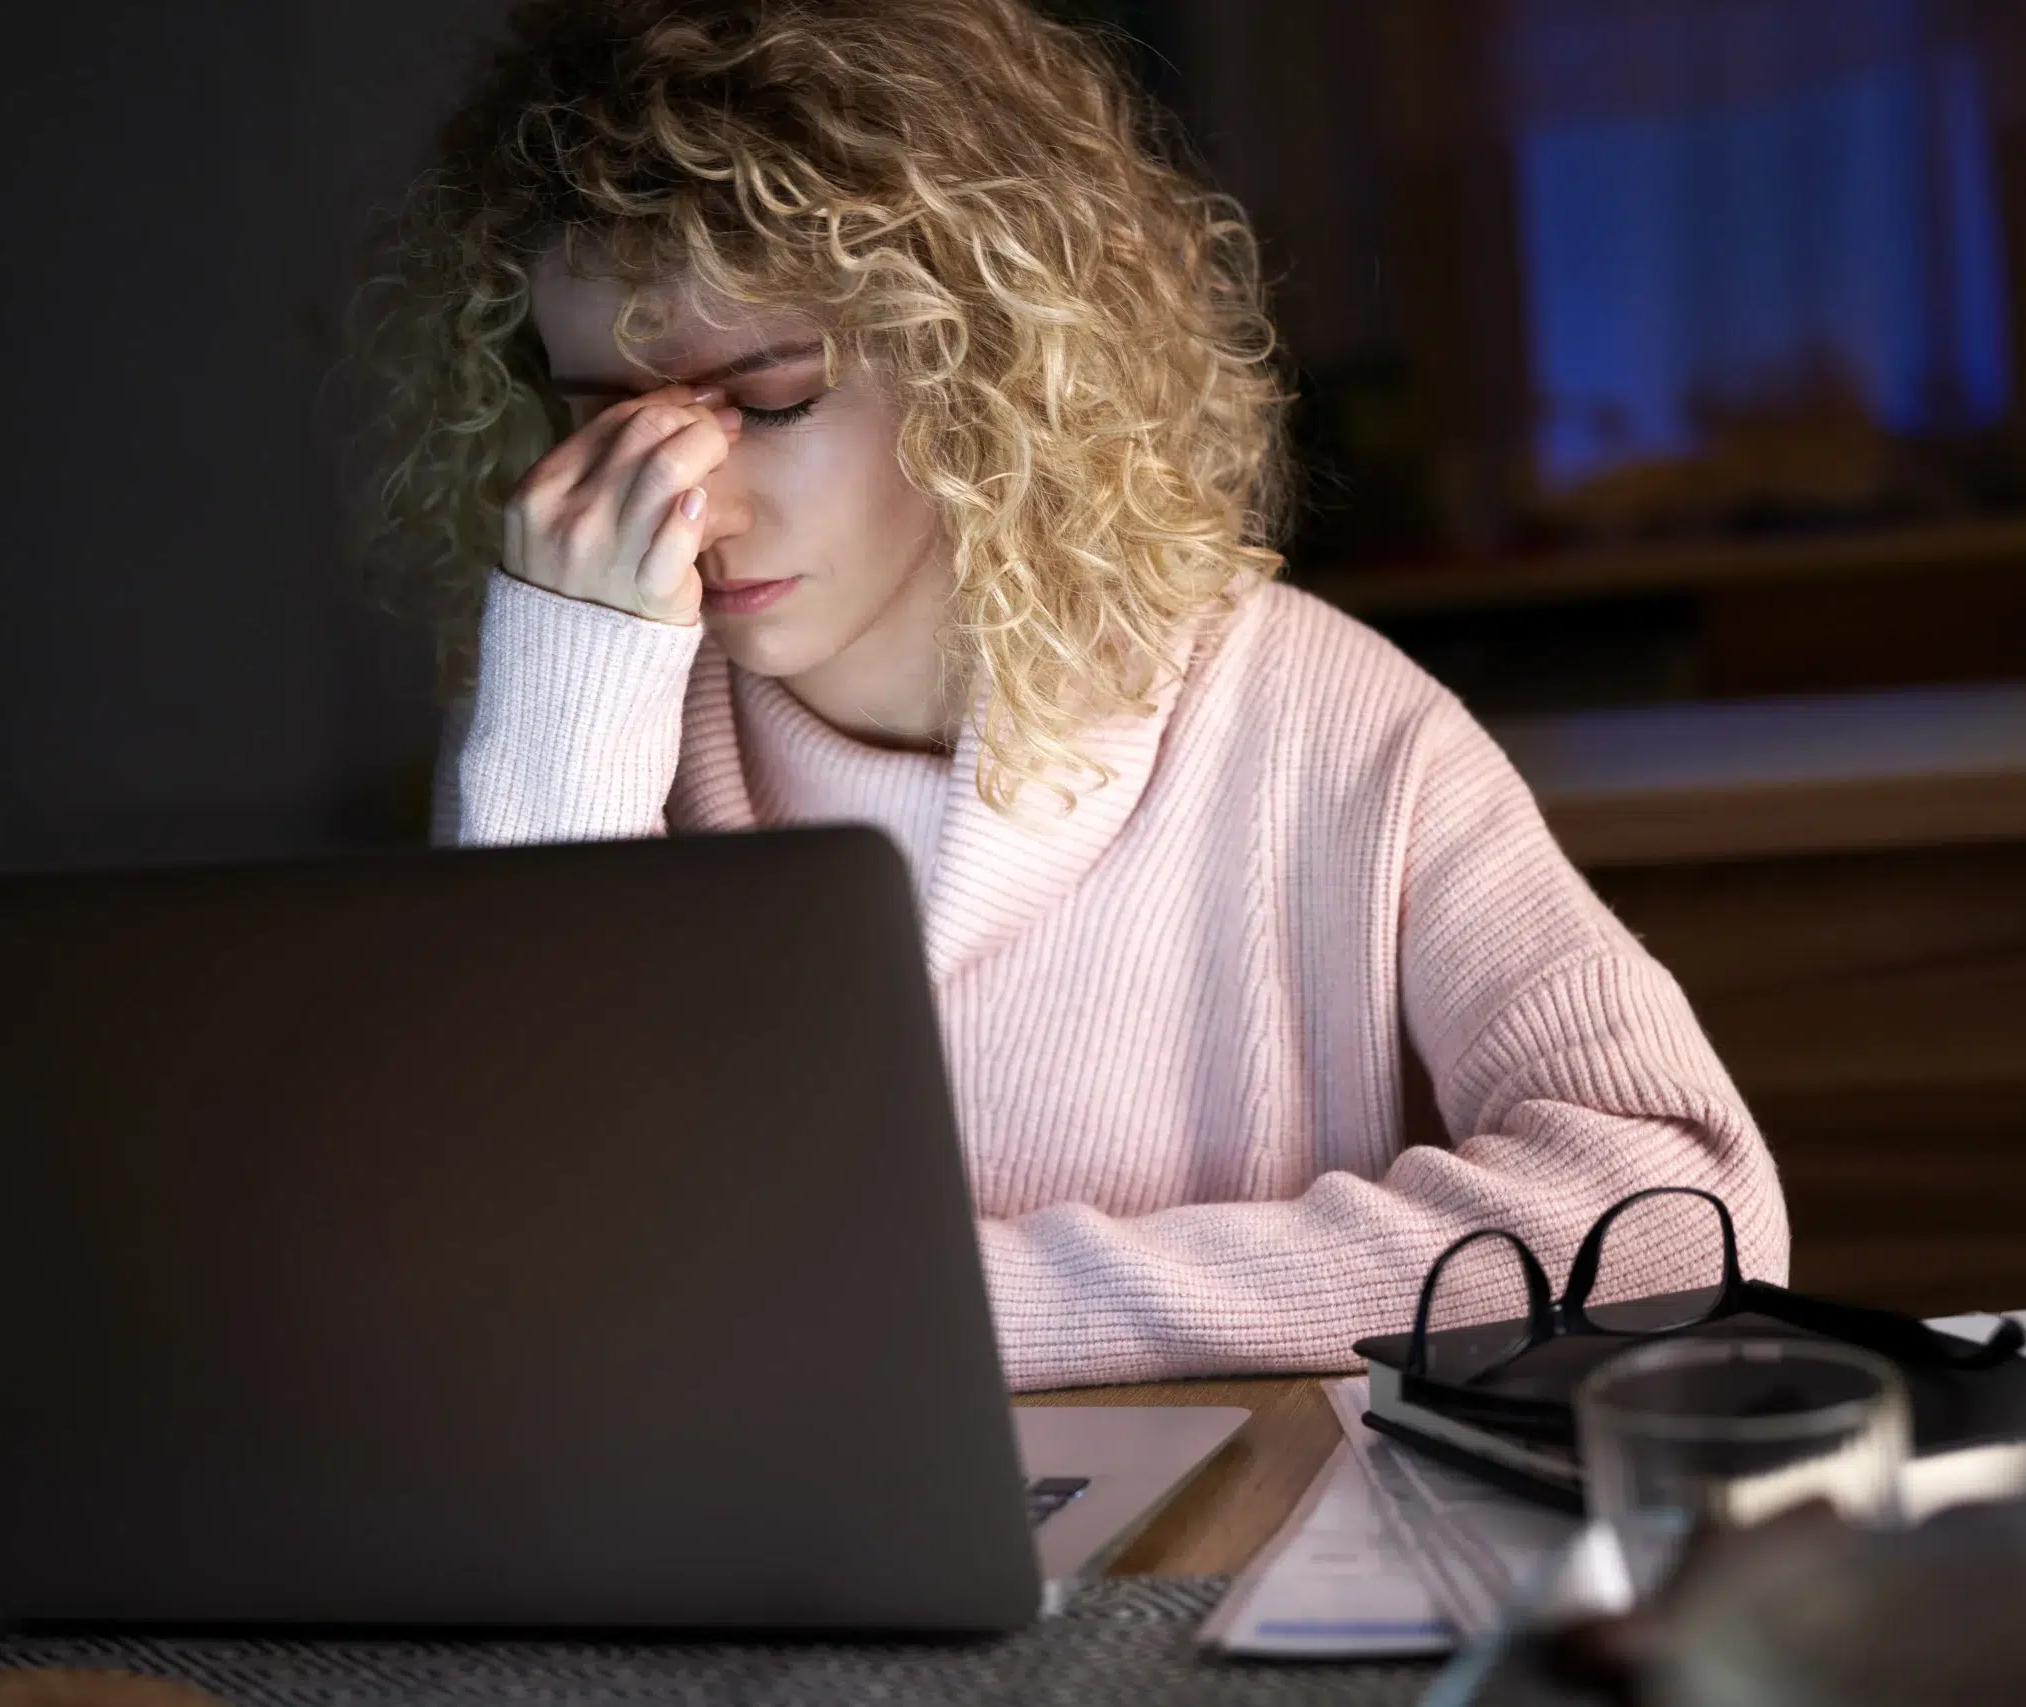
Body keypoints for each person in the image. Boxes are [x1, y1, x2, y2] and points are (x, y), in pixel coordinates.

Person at [345, 0, 1788, 1390]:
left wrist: (951, 1309)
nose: (686, 497)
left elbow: (1680, 1218)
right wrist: (553, 707)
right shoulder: (591, 727)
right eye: (607, 421)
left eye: (772, 396)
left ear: (985, 360)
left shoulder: (1318, 720)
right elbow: (517, 1278)